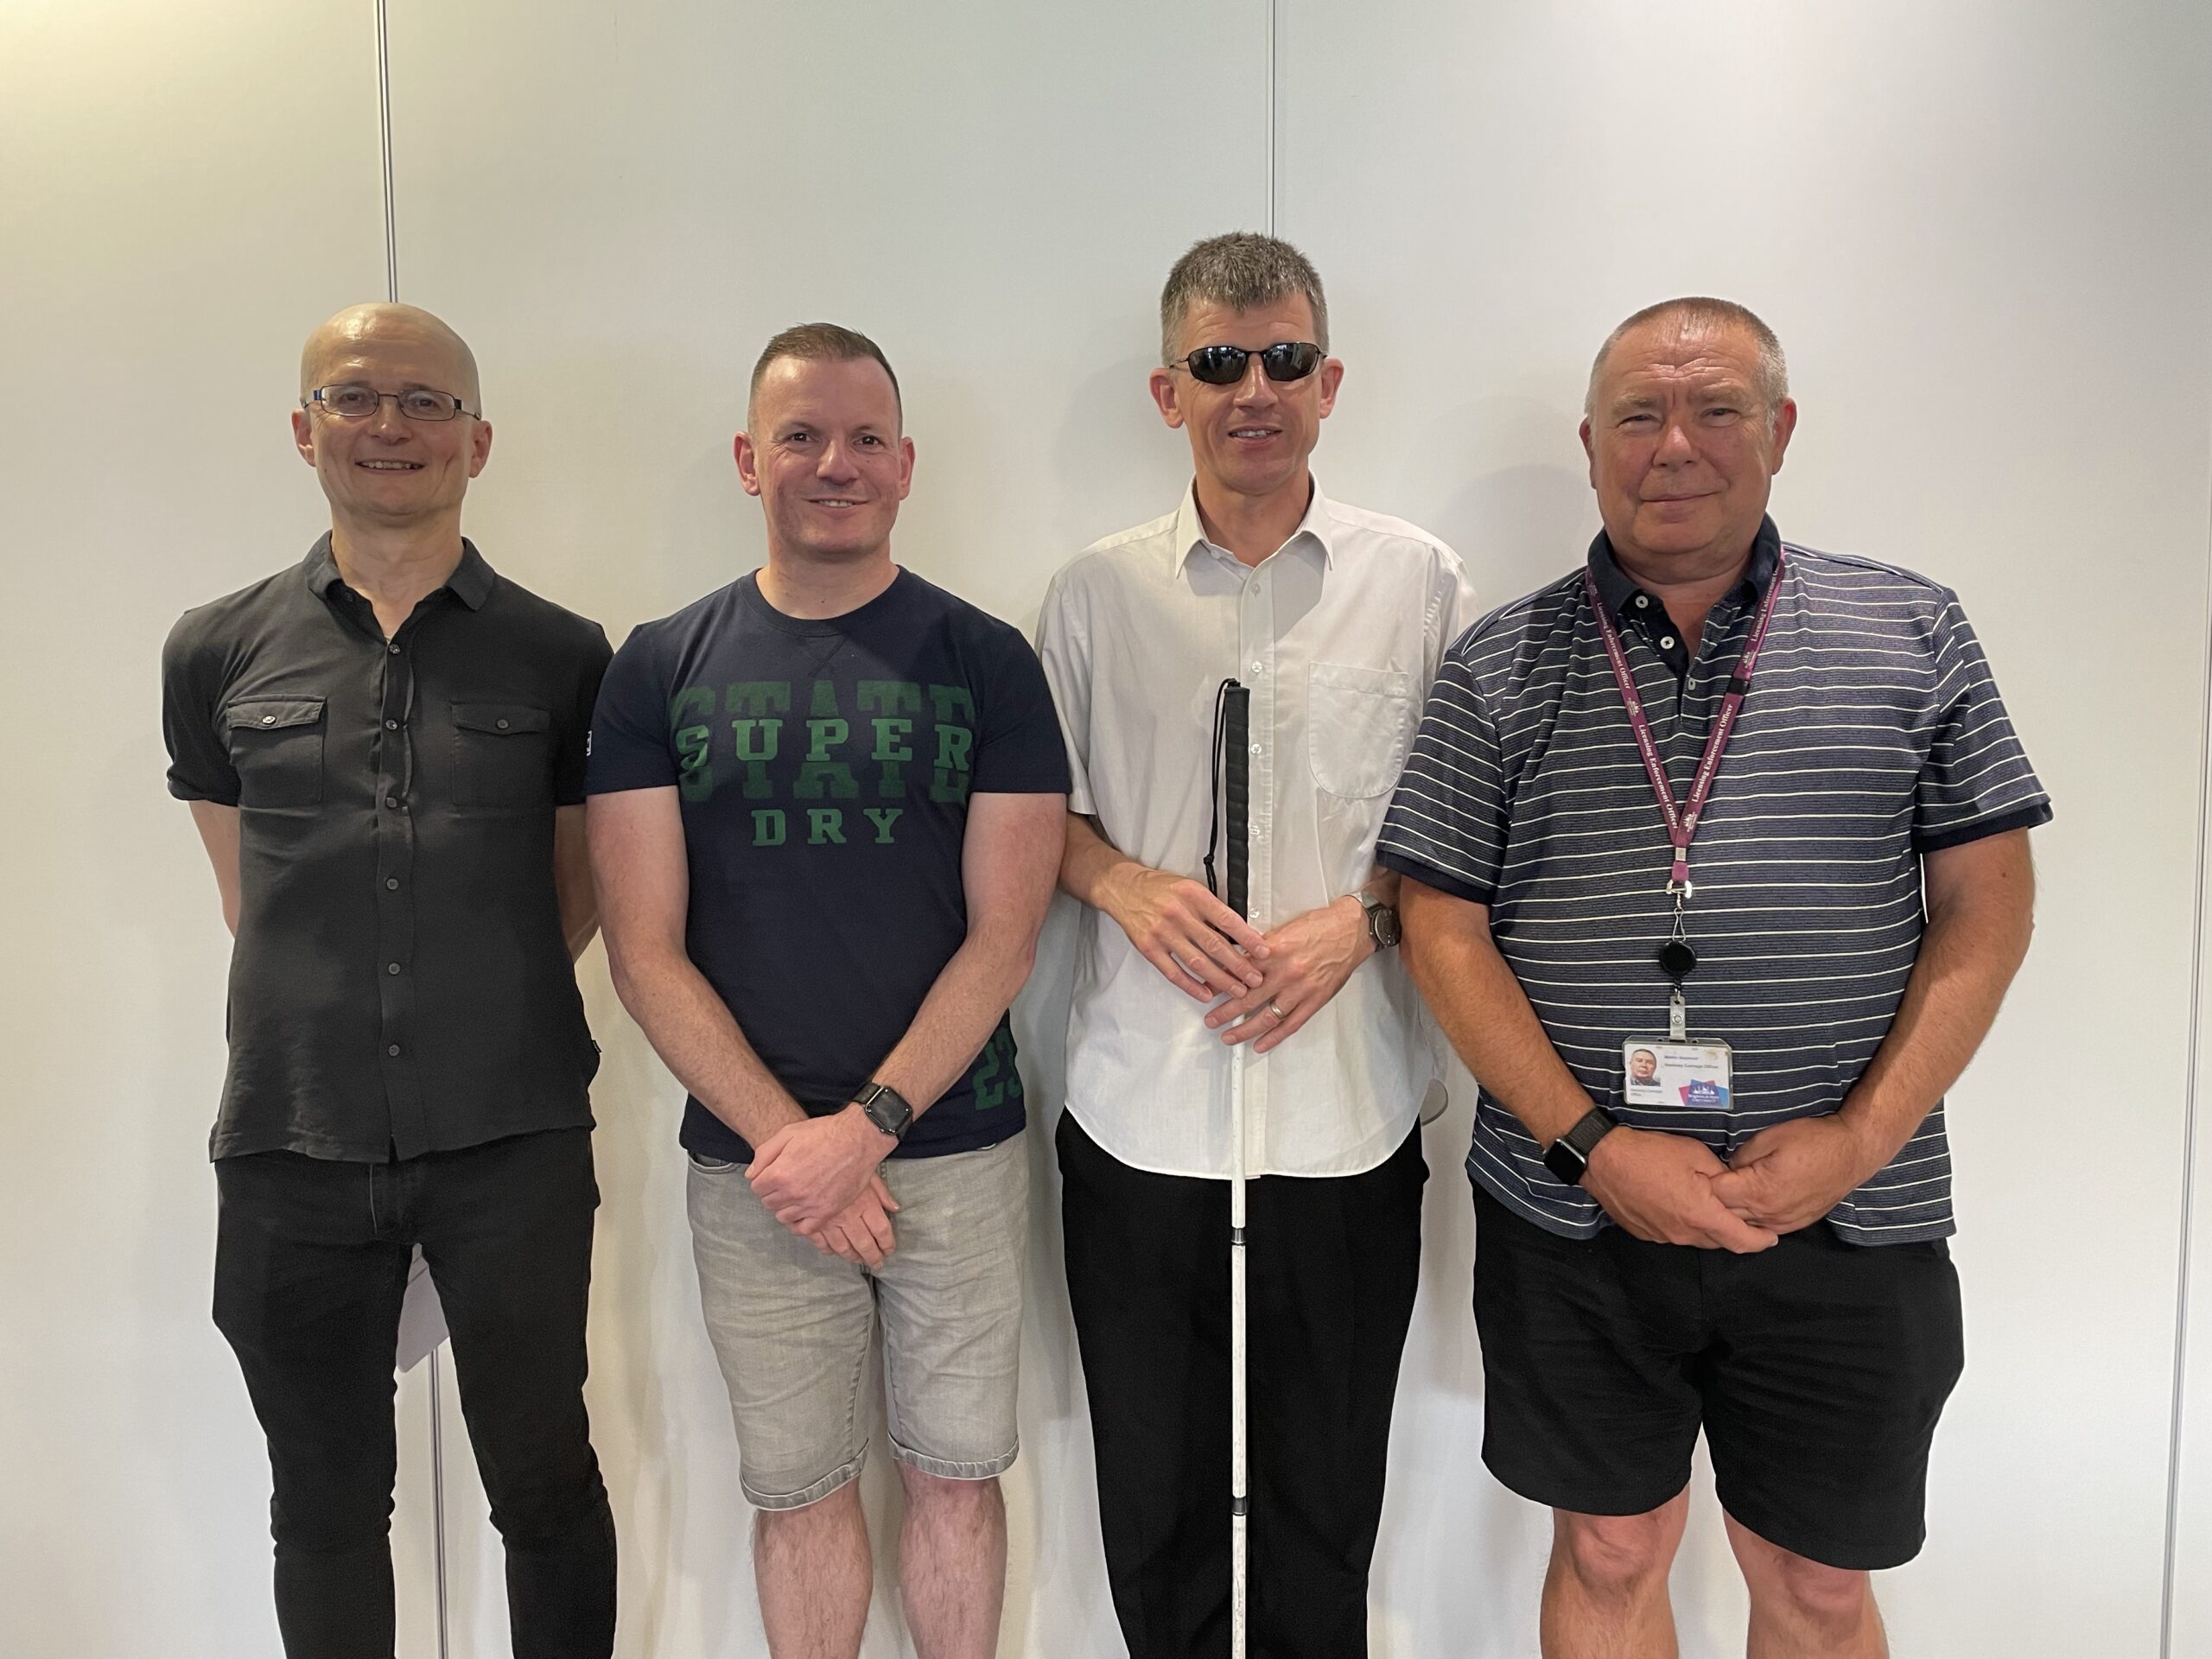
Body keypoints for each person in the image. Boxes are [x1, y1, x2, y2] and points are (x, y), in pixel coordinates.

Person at [1378, 296, 2049, 1659]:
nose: (1674, 443)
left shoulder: (1911, 630)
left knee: (1812, 1578)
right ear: (1590, 443)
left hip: (1851, 1217)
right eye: (1639, 414)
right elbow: (1441, 923)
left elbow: (1986, 911)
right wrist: (1595, 1146)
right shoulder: (1498, 662)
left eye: (1716, 409)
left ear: (1781, 433)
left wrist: (1858, 1143)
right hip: (1573, 1217)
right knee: (1611, 1548)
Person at [585, 324, 1067, 1659]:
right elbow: (643, 952)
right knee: (796, 1491)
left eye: (863, 438)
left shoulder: (988, 661)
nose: (833, 463)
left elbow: (1004, 939)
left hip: (952, 1148)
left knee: (957, 1476)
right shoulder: (659, 665)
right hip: (755, 1171)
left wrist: (865, 1131)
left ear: (906, 464)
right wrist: (789, 1145)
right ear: (751, 460)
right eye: (800, 436)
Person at [1035, 232, 1476, 1658]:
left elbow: (1474, 837)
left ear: (1329, 380)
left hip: (1344, 1120)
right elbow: (1037, 826)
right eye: (1219, 363)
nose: (1253, 390)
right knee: (1151, 1499)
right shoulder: (1095, 596)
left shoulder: (1417, 587)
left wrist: (1365, 921)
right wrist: (1123, 888)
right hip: (1139, 1114)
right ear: (1171, 393)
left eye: (1284, 359)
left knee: (1324, 1497)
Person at [160, 303, 618, 1659]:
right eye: (355, 397)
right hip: (293, 1140)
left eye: (426, 403)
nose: (390, 427)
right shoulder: (216, 649)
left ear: (479, 440)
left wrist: (475, 994)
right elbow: (251, 891)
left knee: (545, 1482)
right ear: (305, 429)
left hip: (513, 1134)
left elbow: (577, 891)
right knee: (324, 1502)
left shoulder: (564, 656)